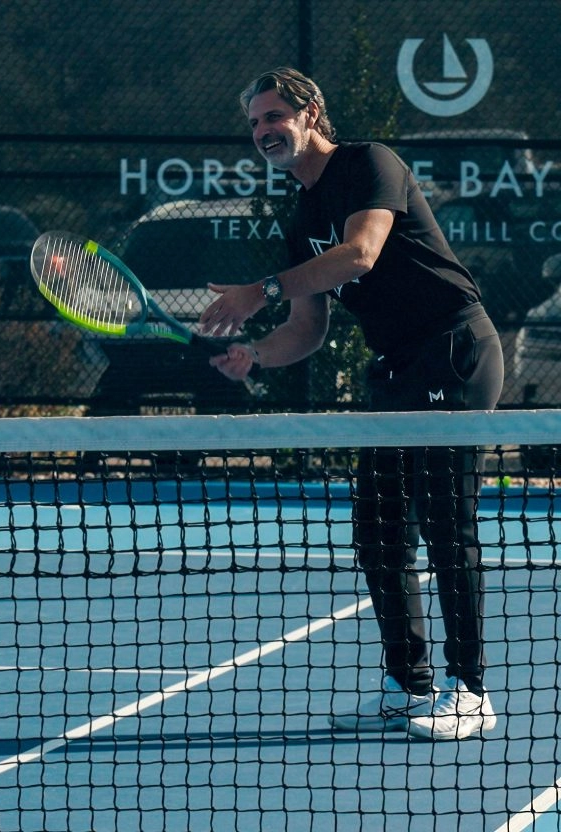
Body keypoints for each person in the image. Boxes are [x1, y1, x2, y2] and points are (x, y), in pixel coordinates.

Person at [199, 67, 504, 740]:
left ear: (310, 113)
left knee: (446, 521)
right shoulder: (302, 213)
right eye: (254, 123)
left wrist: (261, 289)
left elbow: (362, 254)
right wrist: (255, 355)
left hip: (453, 348)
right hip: (395, 367)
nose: (263, 132)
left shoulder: (370, 163)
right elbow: (305, 331)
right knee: (377, 528)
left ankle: (471, 691)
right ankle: (408, 684)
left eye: (274, 116)